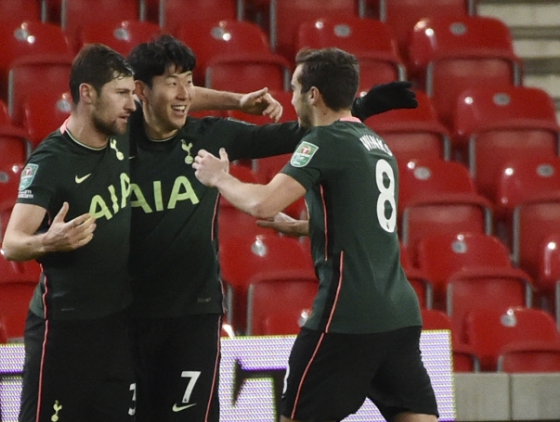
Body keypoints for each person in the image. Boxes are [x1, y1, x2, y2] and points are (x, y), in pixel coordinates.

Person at [125, 35, 419, 422]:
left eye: (189, 81)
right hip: (124, 312)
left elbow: (299, 132)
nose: (183, 92)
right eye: (171, 81)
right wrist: (237, 100)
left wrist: (359, 107)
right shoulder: (115, 134)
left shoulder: (210, 136)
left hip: (193, 312)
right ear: (141, 90)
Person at [2, 43, 138, 422]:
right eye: (121, 93)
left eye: (132, 93)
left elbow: (174, 96)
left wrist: (238, 102)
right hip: (64, 330)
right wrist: (49, 241)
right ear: (87, 93)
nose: (132, 104)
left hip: (118, 326)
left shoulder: (121, 132)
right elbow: (11, 244)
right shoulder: (51, 161)